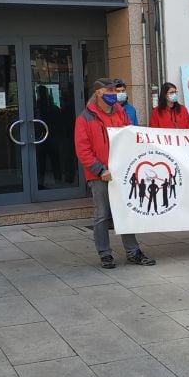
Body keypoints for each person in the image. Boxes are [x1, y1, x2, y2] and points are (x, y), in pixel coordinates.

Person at [75, 77, 156, 269]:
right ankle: (105, 254)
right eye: (109, 92)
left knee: (126, 211)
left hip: (122, 173)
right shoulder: (85, 118)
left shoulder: (121, 113)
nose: (114, 95)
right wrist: (100, 169)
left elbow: (130, 136)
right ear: (98, 93)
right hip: (99, 175)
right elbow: (83, 150)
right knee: (102, 214)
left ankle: (133, 252)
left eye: (115, 92)